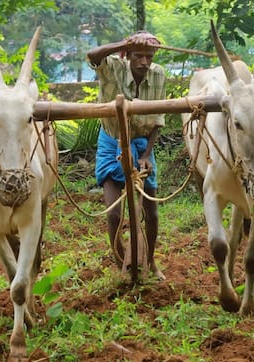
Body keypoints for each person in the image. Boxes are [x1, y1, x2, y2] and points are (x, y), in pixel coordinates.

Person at [86, 30, 167, 280]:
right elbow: (92, 55)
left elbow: (158, 119)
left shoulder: (159, 74)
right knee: (113, 213)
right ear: (128, 55)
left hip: (143, 143)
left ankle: (152, 261)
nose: (144, 62)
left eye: (149, 56)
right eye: (138, 56)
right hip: (111, 141)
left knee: (151, 212)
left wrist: (146, 154)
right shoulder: (113, 67)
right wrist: (124, 42)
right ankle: (118, 255)